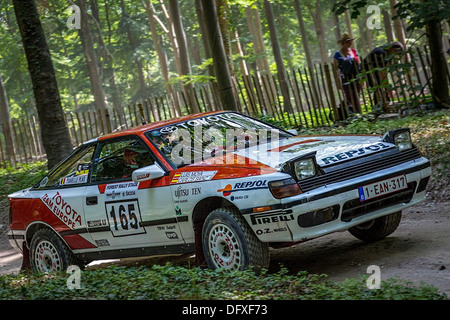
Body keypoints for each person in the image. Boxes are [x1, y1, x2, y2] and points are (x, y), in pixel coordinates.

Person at [363, 42, 404, 111]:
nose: (395, 54)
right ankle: (379, 109)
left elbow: (385, 69)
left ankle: (384, 107)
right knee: (378, 89)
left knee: (381, 89)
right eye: (395, 51)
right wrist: (388, 87)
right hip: (369, 72)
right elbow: (382, 72)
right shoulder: (381, 53)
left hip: (376, 71)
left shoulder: (389, 54)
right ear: (391, 48)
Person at [332, 33, 362, 114]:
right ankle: (351, 112)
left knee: (357, 95)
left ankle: (358, 112)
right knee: (349, 96)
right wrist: (338, 82)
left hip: (355, 76)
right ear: (343, 43)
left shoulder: (354, 51)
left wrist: (361, 77)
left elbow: (358, 64)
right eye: (348, 42)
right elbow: (335, 69)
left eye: (350, 42)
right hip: (345, 77)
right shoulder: (338, 54)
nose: (350, 44)